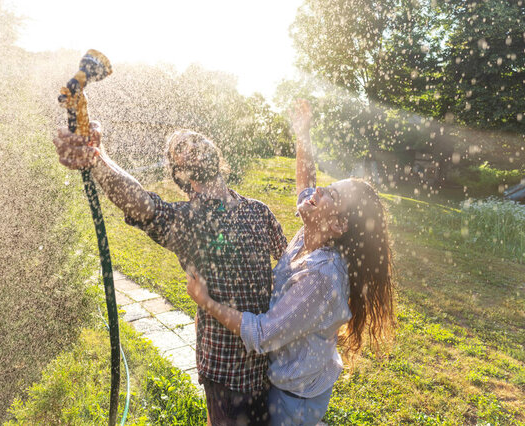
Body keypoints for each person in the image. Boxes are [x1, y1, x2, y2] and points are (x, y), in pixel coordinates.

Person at [53, 123, 287, 425]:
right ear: (180, 174)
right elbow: (142, 205)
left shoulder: (258, 211)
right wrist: (97, 158)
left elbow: (292, 264)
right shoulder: (188, 222)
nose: (191, 144)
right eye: (180, 147)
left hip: (272, 369)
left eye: (196, 138)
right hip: (230, 378)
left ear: (214, 151)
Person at [187, 100, 396, 426]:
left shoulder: (321, 278)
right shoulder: (312, 232)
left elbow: (263, 334)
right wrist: (303, 133)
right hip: (292, 379)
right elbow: (306, 183)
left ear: (340, 226)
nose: (320, 190)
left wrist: (206, 302)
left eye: (332, 195)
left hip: (294, 399)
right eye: (329, 186)